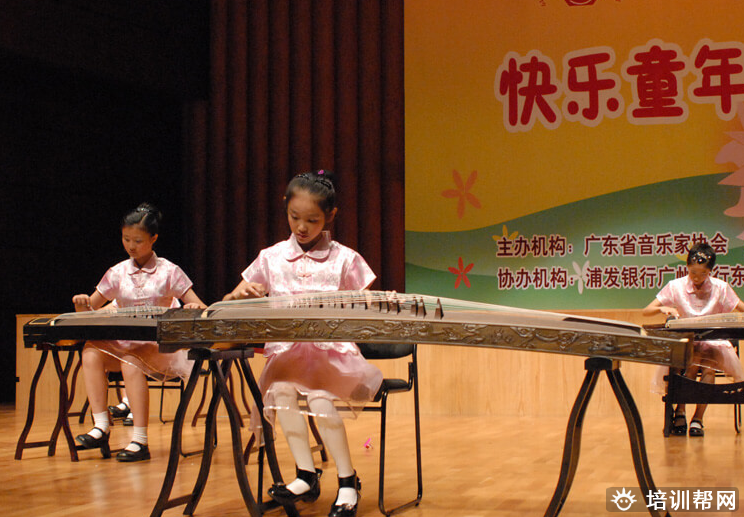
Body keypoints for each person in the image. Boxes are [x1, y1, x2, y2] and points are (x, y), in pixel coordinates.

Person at [223, 170, 382, 517]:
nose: (302, 227)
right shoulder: (271, 257)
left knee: (320, 399)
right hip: (288, 354)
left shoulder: (345, 258)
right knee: (280, 393)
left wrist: (366, 304)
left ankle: (347, 480)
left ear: (330, 216)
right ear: (285, 208)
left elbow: (364, 306)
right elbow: (230, 300)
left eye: (312, 220)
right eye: (294, 217)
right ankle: (305, 474)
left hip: (331, 355)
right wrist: (239, 294)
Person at [72, 203, 207, 461]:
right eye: (126, 239)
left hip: (159, 348)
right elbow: (90, 309)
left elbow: (201, 306)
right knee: (91, 350)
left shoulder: (169, 271)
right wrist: (82, 304)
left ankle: (140, 440)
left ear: (153, 238)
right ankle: (101, 425)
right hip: (126, 345)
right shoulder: (117, 272)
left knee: (131, 360)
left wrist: (192, 308)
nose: (131, 246)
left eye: (138, 241)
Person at [643, 242, 744, 437]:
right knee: (692, 363)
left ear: (711, 271)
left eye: (703, 273)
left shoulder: (720, 287)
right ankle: (680, 411)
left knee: (708, 367)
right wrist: (662, 308)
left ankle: (697, 418)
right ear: (687, 267)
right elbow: (647, 311)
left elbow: (739, 306)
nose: (697, 278)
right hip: (687, 342)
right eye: (693, 272)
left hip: (714, 343)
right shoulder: (676, 286)